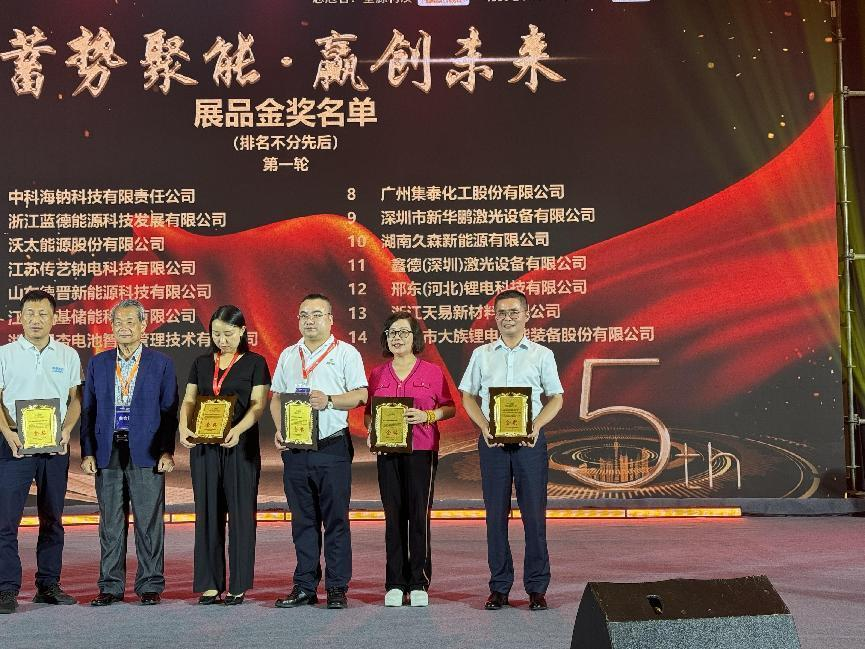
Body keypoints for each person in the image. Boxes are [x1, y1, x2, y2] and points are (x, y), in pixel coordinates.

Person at [458, 289, 563, 611]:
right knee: (495, 517)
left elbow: (556, 398)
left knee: (534, 517)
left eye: (514, 312)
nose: (507, 318)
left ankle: (537, 588)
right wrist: (484, 427)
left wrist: (536, 426)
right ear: (495, 318)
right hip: (493, 443)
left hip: (530, 443)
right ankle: (499, 587)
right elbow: (467, 396)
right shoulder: (482, 354)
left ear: (526, 315)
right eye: (501, 313)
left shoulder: (542, 354)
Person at [270, 293, 367, 610]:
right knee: (303, 521)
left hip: (332, 447)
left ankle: (337, 587)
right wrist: (280, 429)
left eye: (316, 314)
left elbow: (361, 395)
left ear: (330, 319)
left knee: (336, 520)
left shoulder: (346, 353)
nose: (309, 320)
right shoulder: (288, 354)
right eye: (303, 315)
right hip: (297, 450)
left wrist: (330, 401)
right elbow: (276, 398)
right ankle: (304, 586)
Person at [80, 299, 178, 606]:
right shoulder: (98, 363)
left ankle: (150, 584)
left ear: (143, 326)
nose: (124, 328)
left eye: (130, 322)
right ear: (111, 327)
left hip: (147, 451)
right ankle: (110, 586)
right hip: (107, 451)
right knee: (110, 522)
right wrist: (87, 452)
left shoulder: (161, 363)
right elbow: (88, 411)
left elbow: (169, 411)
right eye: (118, 323)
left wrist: (166, 451)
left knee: (149, 522)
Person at [179, 305, 270, 606]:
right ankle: (209, 583)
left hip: (239, 447)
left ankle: (238, 584)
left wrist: (239, 430)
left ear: (242, 331)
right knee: (207, 513)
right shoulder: (202, 363)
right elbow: (189, 399)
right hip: (205, 448)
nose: (222, 340)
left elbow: (258, 405)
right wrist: (183, 428)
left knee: (241, 515)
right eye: (216, 334)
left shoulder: (255, 363)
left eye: (228, 334)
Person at [364, 311, 455, 608]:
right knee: (393, 516)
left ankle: (418, 582)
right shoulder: (377, 374)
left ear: (415, 338)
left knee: (418, 516)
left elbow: (449, 408)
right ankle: (394, 582)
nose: (397, 338)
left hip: (422, 450)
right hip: (388, 451)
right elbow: (369, 414)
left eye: (403, 332)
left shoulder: (432, 372)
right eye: (392, 333)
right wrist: (371, 431)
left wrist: (428, 415)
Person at [0, 290, 82, 614]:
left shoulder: (68, 355)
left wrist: (66, 429)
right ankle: (6, 589)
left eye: (43, 314)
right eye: (30, 314)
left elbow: (75, 399)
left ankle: (48, 585)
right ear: (20, 318)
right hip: (14, 445)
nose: (36, 320)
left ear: (54, 318)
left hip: (54, 445)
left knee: (53, 518)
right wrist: (7, 432)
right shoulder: (5, 355)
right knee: (6, 520)